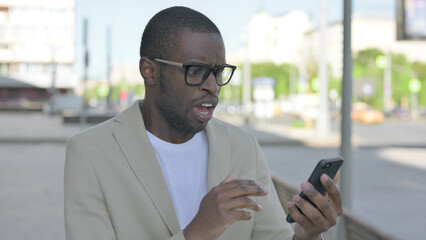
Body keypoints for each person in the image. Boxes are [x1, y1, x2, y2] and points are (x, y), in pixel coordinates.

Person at [64, 6, 342, 240]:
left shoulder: (241, 145)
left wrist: (307, 234)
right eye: (196, 71)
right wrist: (198, 230)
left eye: (219, 72)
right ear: (150, 71)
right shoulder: (91, 152)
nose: (213, 86)